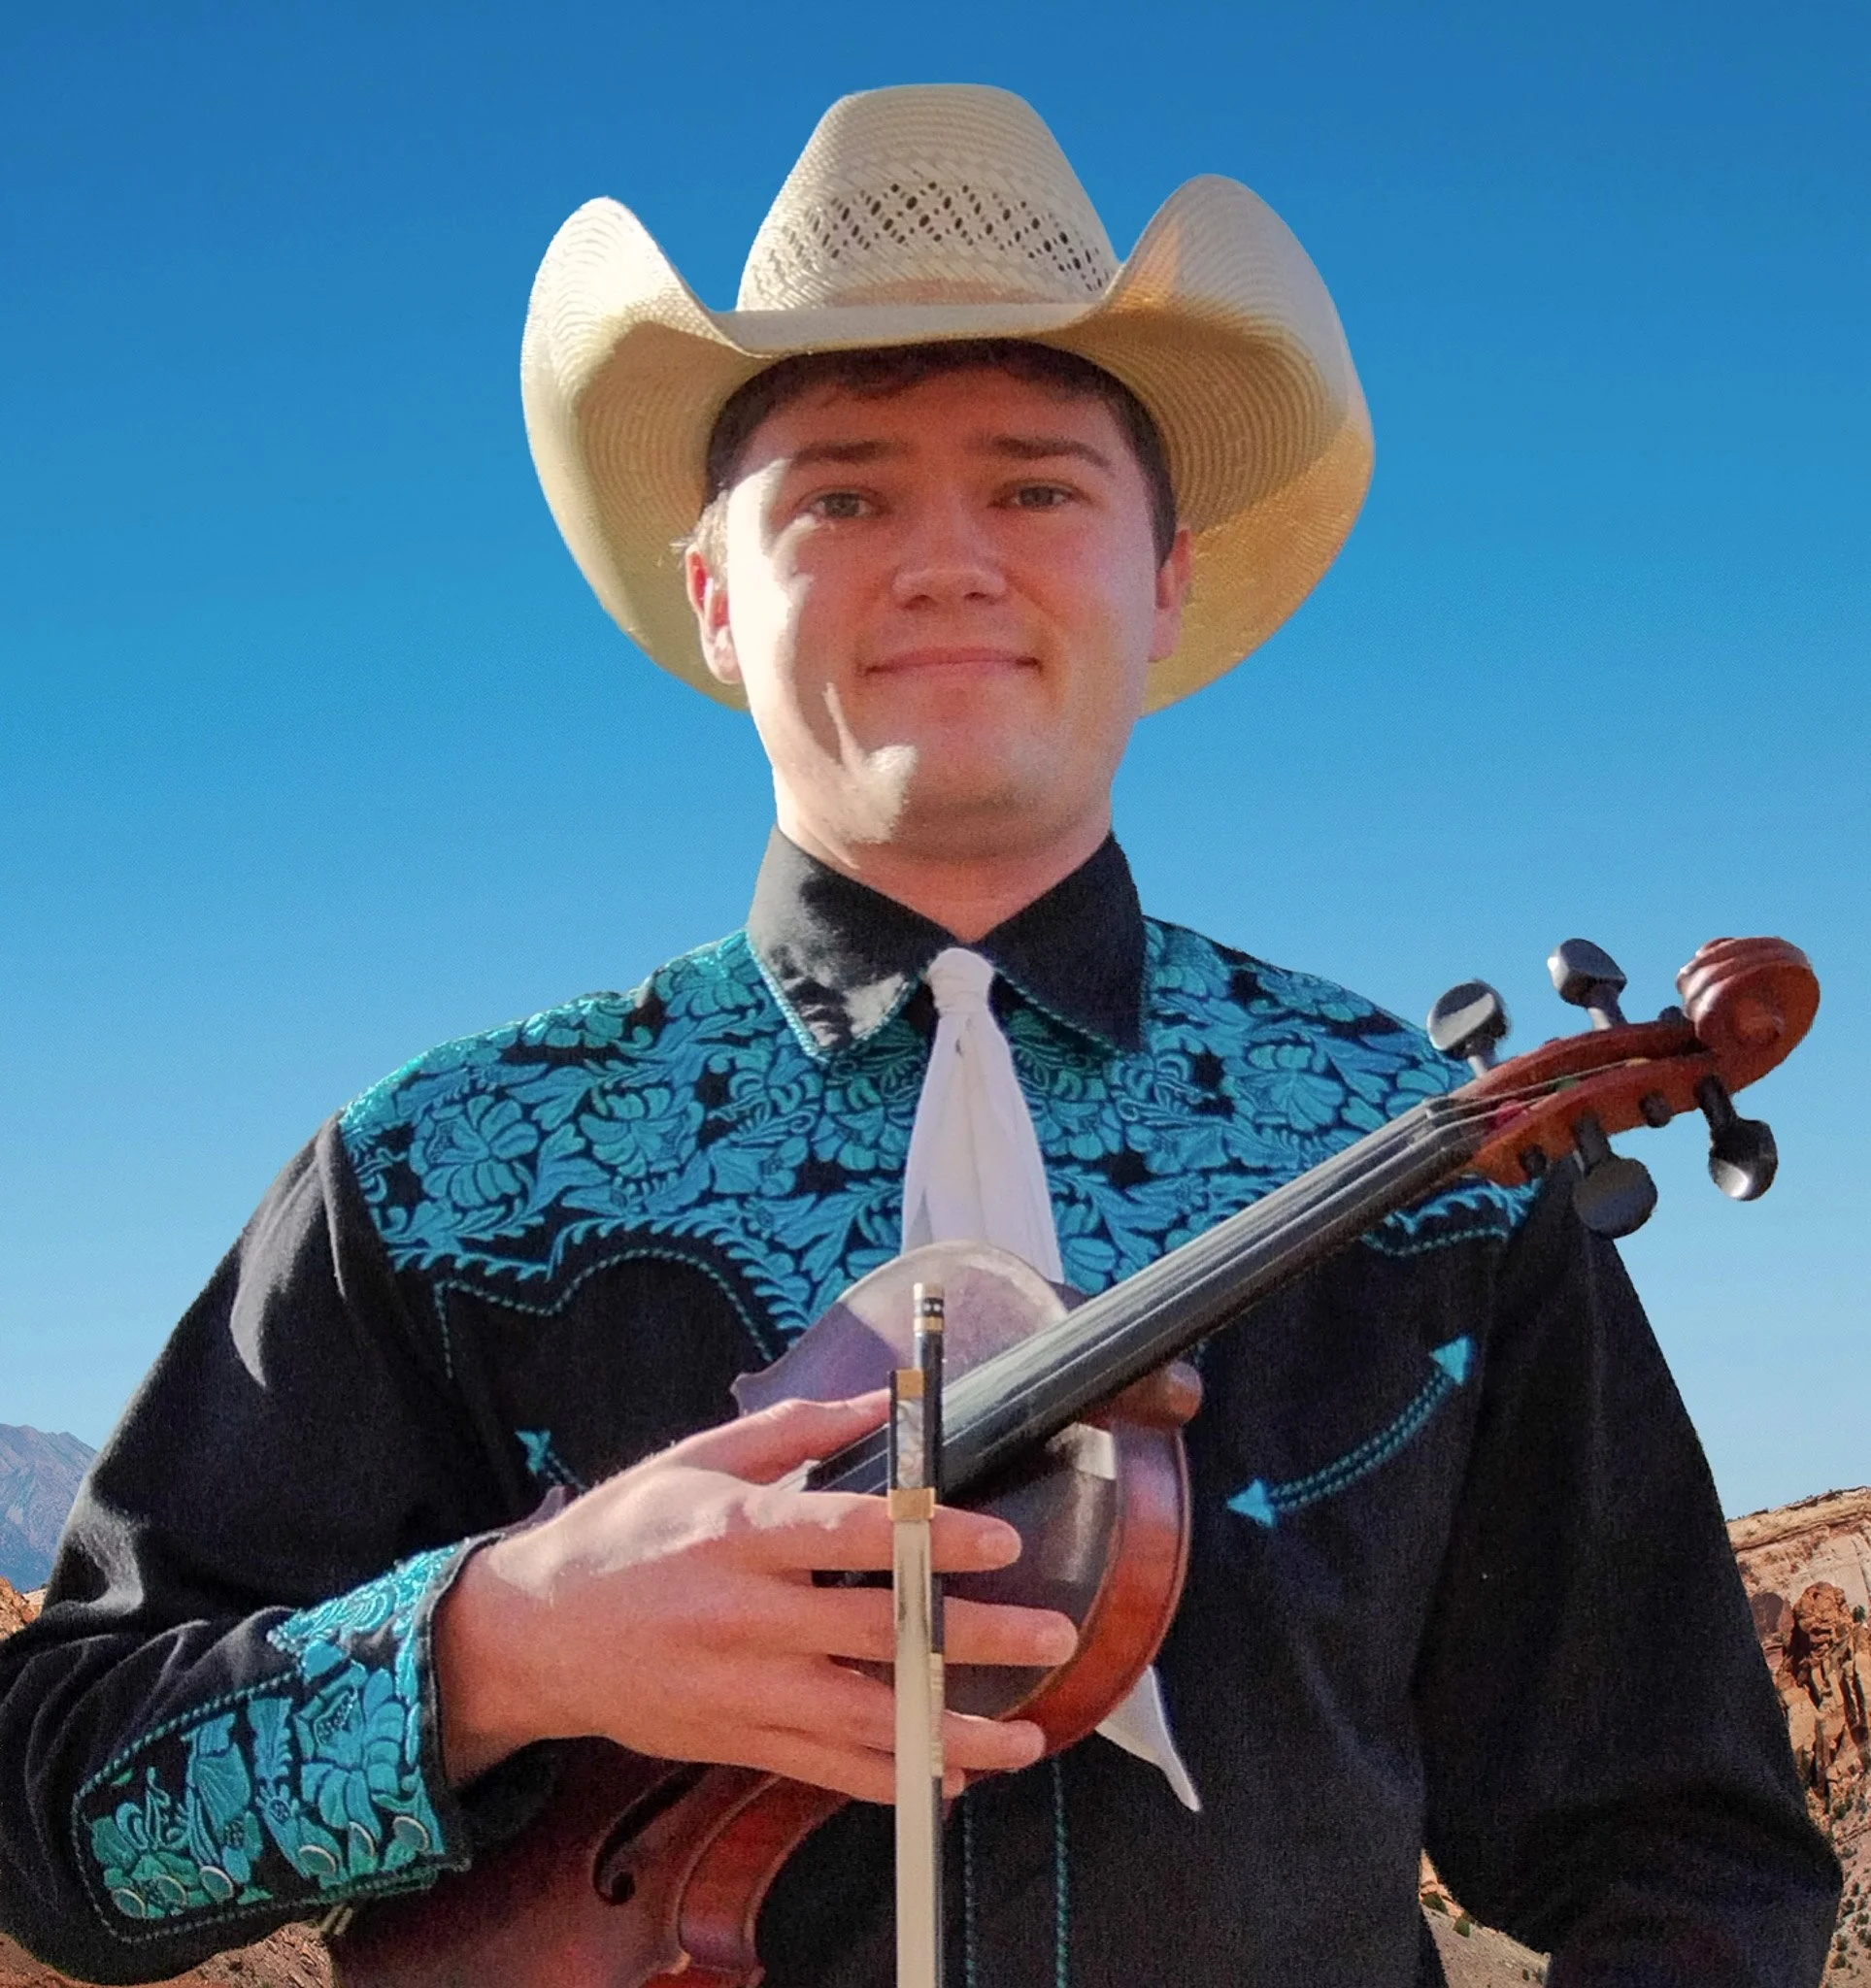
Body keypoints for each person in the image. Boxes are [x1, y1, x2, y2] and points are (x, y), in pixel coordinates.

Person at [0, 83, 1840, 1988]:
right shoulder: (445, 1168)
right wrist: (503, 1641)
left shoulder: (1417, 1145)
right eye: (842, 496)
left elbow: (1690, 1858)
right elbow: (59, 1830)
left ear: (1165, 574)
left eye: (1036, 488)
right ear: (717, 596)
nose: (947, 561)